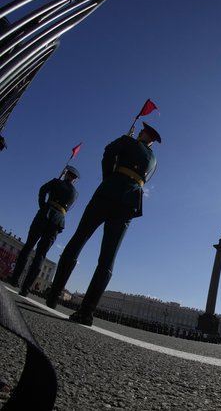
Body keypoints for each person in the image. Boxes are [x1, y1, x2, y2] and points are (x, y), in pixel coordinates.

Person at [46, 123, 161, 326]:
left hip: (108, 191)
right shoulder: (154, 160)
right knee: (108, 258)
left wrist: (109, 177)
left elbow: (108, 151)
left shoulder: (129, 141)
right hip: (129, 202)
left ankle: (54, 295)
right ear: (152, 141)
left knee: (78, 240)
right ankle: (86, 312)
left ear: (143, 134)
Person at [8, 166, 80, 297]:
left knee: (28, 246)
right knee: (41, 255)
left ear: (66, 174)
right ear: (75, 180)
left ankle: (14, 279)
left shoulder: (57, 182)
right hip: (58, 221)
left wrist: (43, 205)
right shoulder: (76, 194)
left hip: (44, 214)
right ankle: (26, 288)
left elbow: (42, 189)